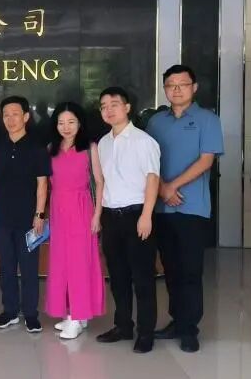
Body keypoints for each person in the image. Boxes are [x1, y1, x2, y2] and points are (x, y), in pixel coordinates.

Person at [147, 64, 224, 353]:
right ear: (165, 89)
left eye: (182, 84)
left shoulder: (208, 119)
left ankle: (190, 328)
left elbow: (206, 161)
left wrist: (171, 187)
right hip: (161, 209)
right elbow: (148, 161)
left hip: (192, 208)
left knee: (190, 270)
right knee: (171, 269)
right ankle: (177, 321)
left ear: (194, 87)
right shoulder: (156, 122)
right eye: (171, 85)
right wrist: (161, 189)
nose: (176, 89)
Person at [96, 86, 160, 354]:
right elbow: (103, 182)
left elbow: (152, 179)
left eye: (114, 104)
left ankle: (146, 332)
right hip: (111, 217)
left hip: (137, 215)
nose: (108, 110)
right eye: (103, 106)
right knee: (118, 276)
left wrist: (146, 215)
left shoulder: (143, 141)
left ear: (127, 107)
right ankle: (123, 325)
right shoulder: (103, 143)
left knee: (142, 278)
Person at [0, 95, 50, 333]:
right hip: (2, 216)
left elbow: (42, 184)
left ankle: (31, 314)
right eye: (6, 115)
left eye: (15, 114)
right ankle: (10, 311)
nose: (10, 119)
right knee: (6, 266)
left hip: (28, 218)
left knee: (29, 267)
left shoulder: (36, 147)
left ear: (26, 117)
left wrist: (39, 215)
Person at [45, 102, 105, 340]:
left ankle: (78, 316)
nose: (66, 127)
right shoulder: (51, 148)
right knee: (61, 262)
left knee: (79, 262)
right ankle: (73, 312)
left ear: (80, 123)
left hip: (81, 208)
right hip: (58, 209)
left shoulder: (90, 147)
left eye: (71, 122)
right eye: (61, 122)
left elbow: (99, 182)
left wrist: (97, 214)